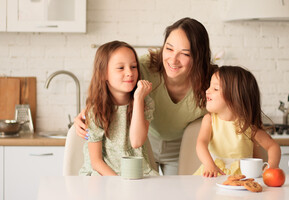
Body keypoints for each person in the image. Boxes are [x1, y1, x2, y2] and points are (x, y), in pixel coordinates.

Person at [75, 17, 217, 175]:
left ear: (199, 57)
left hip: (181, 147)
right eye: (169, 49)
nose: (173, 60)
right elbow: (110, 81)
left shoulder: (213, 84)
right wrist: (86, 113)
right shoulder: (142, 67)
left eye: (184, 54)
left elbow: (234, 109)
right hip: (144, 146)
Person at [78, 41, 158, 176]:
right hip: (103, 174)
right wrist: (117, 183)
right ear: (103, 74)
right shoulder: (96, 110)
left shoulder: (145, 103)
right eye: (121, 68)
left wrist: (138, 99)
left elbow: (136, 142)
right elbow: (96, 162)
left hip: (136, 172)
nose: (130, 73)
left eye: (133, 66)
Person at [194, 66, 281, 177]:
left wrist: (271, 167)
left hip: (243, 178)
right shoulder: (210, 120)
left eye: (215, 88)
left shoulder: (248, 126)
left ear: (234, 98)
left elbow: (273, 147)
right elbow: (200, 144)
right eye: (210, 86)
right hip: (214, 175)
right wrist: (209, 164)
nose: (207, 91)